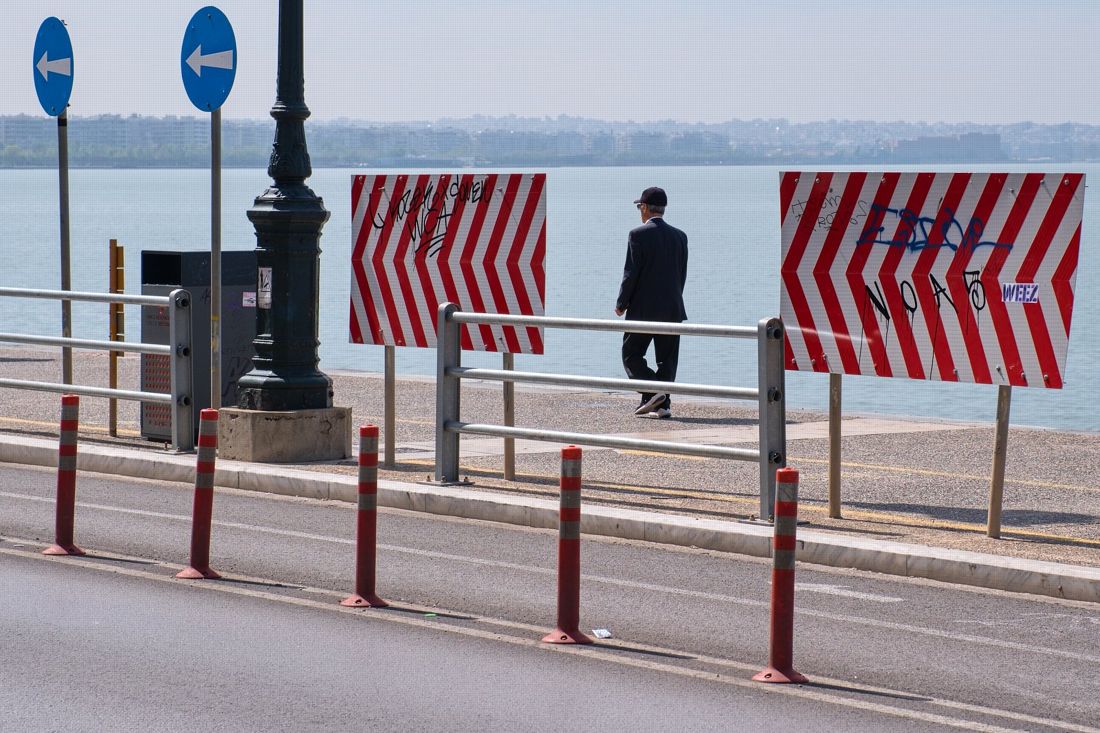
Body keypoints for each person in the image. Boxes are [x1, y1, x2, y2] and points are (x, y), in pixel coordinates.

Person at [614, 187, 688, 419]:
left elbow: (631, 273)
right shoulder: (680, 236)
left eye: (639, 207)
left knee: (631, 354)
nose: (639, 211)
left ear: (645, 207)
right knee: (667, 359)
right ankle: (663, 404)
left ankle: (652, 392)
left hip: (643, 309)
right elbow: (681, 275)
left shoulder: (637, 235)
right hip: (673, 307)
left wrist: (621, 303)